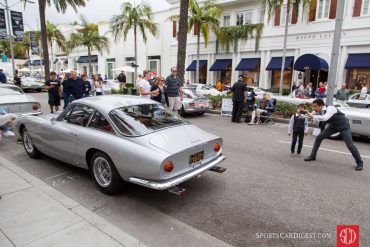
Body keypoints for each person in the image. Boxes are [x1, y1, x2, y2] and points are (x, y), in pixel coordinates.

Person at [304, 99, 363, 171]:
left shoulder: (331, 108)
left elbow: (324, 118)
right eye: (313, 106)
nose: (313, 108)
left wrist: (312, 116)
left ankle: (359, 163)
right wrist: (301, 115)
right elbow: (310, 115)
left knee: (350, 145)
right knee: (319, 137)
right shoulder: (317, 110)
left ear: (321, 106)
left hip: (344, 126)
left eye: (315, 106)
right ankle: (313, 156)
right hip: (333, 126)